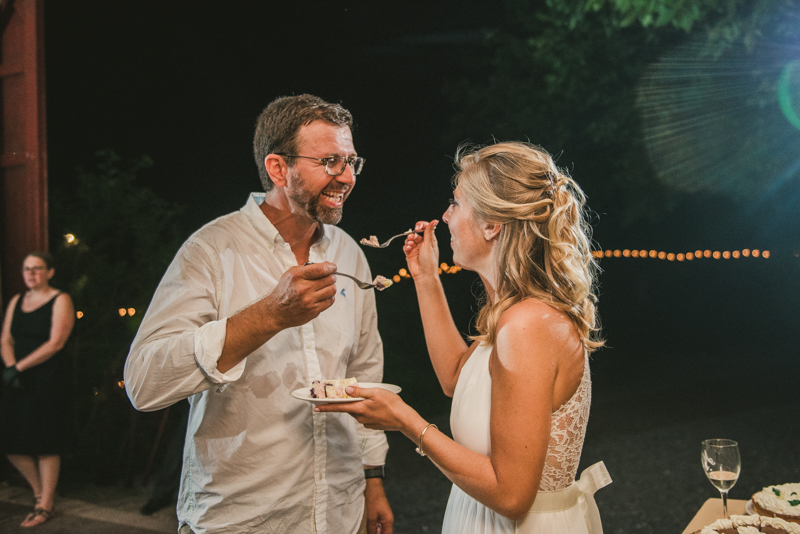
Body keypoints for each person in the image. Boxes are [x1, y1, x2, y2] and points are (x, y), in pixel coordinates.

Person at [124, 94, 393, 534]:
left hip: (338, 512)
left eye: (351, 161)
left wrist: (373, 479)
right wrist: (268, 315)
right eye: (329, 161)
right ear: (277, 168)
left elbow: (362, 370)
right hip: (243, 517)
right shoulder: (210, 250)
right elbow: (143, 382)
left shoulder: (349, 254)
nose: (346, 177)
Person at [317, 141, 612, 533]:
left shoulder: (527, 325)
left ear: (492, 225)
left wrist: (405, 421)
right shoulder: (515, 312)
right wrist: (425, 278)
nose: (445, 215)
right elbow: (458, 377)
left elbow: (511, 496)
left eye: (455, 203)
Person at [0, 251, 76, 528]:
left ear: (50, 272)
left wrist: (19, 368)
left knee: (45, 440)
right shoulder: (16, 301)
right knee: (10, 441)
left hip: (47, 378)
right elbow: (6, 337)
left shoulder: (61, 299)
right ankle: (39, 493)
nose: (30, 274)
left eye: (37, 268)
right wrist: (10, 368)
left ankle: (45, 505)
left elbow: (56, 342)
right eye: (26, 269)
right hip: (16, 379)